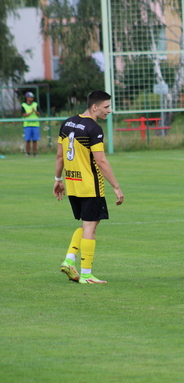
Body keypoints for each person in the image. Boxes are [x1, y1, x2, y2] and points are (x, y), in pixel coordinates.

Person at [53, 90, 124, 284]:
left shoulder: (67, 123)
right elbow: (100, 161)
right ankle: (86, 274)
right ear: (95, 107)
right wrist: (116, 187)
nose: (109, 111)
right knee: (91, 227)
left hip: (73, 185)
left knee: (86, 224)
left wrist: (58, 179)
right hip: (90, 186)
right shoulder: (94, 128)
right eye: (106, 107)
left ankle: (69, 260)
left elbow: (59, 156)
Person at [22, 91, 41, 157]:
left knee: (35, 140)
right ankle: (28, 153)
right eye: (30, 97)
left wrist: (35, 111)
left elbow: (39, 114)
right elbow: (24, 115)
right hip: (27, 125)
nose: (32, 98)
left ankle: (35, 153)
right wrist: (30, 112)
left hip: (35, 125)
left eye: (32, 97)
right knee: (27, 140)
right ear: (27, 98)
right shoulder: (23, 105)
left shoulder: (35, 104)